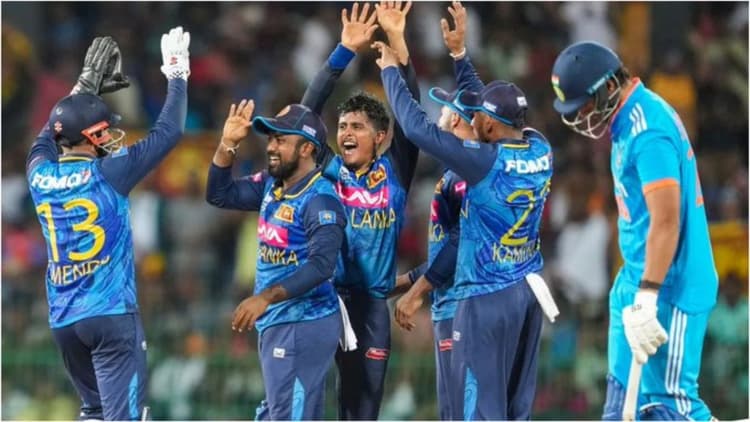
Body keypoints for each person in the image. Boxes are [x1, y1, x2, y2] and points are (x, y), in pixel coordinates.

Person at [373, 1, 554, 418]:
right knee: (512, 410)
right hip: (525, 289)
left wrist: (390, 72)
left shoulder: (479, 165)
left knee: (475, 411)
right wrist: (459, 55)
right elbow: (490, 114)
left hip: (484, 295)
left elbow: (416, 129)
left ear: (480, 125)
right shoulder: (540, 147)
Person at [26, 27, 189, 420]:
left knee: (94, 411)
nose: (110, 135)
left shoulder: (38, 174)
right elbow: (170, 132)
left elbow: (48, 134)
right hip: (111, 315)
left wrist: (83, 88)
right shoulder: (109, 173)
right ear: (90, 136)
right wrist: (177, 74)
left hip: (64, 319)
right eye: (103, 130)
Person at [550, 41, 718, 421]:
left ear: (609, 86)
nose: (581, 116)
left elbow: (667, 221)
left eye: (584, 104)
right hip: (635, 280)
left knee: (668, 406)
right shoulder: (626, 121)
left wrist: (648, 297)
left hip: (671, 287)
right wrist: (635, 291)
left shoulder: (648, 130)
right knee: (619, 408)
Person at [299, 2, 420, 419]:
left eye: (357, 127)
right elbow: (302, 119)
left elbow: (412, 112)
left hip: (371, 309)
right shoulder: (330, 169)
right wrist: (344, 52)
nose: (346, 133)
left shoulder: (395, 171)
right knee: (302, 404)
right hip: (323, 299)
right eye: (343, 126)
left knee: (361, 411)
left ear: (381, 136)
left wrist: (398, 43)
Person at [205, 100, 347, 420]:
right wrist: (228, 144)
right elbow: (219, 194)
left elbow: (322, 266)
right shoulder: (272, 185)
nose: (271, 146)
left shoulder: (320, 199)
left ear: (307, 148)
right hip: (280, 322)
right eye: (270, 139)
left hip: (302, 323)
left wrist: (265, 297)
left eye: (281, 140)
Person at [392, 87, 475, 420]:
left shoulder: (467, 174)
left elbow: (461, 243)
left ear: (456, 119)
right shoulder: (462, 169)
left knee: (464, 412)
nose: (438, 113)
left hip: (461, 307)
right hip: (453, 303)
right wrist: (405, 281)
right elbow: (450, 250)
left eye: (444, 109)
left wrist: (416, 292)